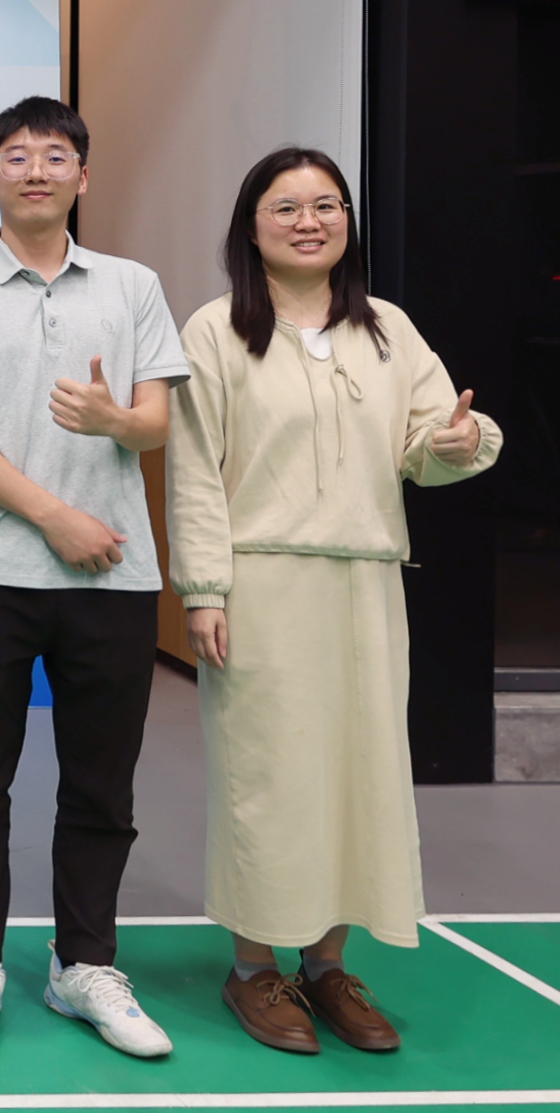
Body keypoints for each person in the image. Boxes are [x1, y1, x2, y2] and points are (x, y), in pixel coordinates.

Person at [168, 147, 500, 1055]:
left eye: (327, 205)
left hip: (367, 583)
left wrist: (457, 441)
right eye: (286, 207)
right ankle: (254, 969)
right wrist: (203, 588)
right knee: (267, 778)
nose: (309, 221)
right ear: (251, 227)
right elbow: (194, 471)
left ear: (348, 221)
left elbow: (432, 443)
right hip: (261, 583)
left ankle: (326, 965)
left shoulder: (388, 330)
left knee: (359, 776)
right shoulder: (215, 331)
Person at [0, 97, 187, 1060]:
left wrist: (115, 422)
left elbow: (158, 422)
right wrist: (54, 516)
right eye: (16, 157)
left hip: (113, 575)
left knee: (102, 789)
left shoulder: (133, 286)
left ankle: (84, 966)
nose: (36, 170)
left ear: (83, 177)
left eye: (55, 156)